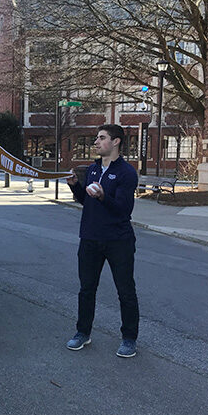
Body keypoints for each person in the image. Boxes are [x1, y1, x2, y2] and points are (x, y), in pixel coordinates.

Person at [65, 124, 140, 358]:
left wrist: (103, 196)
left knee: (125, 291)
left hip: (118, 240)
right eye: (96, 138)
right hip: (90, 238)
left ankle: (129, 339)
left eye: (101, 138)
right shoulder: (92, 169)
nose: (96, 142)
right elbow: (86, 202)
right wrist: (76, 186)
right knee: (86, 289)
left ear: (116, 142)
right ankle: (82, 332)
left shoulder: (127, 173)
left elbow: (123, 210)